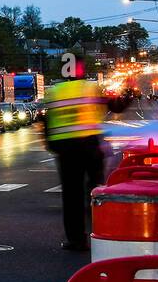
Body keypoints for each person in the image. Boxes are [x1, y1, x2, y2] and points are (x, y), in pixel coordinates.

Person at [44, 78, 124, 252]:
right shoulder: (90, 88)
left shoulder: (55, 91)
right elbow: (116, 107)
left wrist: (52, 145)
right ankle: (104, 233)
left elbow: (47, 120)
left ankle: (77, 239)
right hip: (90, 147)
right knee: (96, 190)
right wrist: (128, 94)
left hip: (66, 149)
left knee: (72, 196)